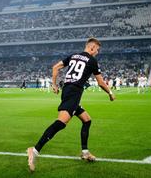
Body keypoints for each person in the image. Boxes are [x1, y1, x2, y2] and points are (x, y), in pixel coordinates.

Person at [27, 38, 116, 172]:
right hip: (74, 92)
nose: (97, 53)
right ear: (91, 48)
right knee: (61, 123)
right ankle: (34, 150)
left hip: (68, 90)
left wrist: (54, 84)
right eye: (97, 50)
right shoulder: (92, 61)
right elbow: (101, 83)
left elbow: (55, 67)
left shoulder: (73, 56)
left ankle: (85, 152)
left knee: (87, 120)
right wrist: (110, 93)